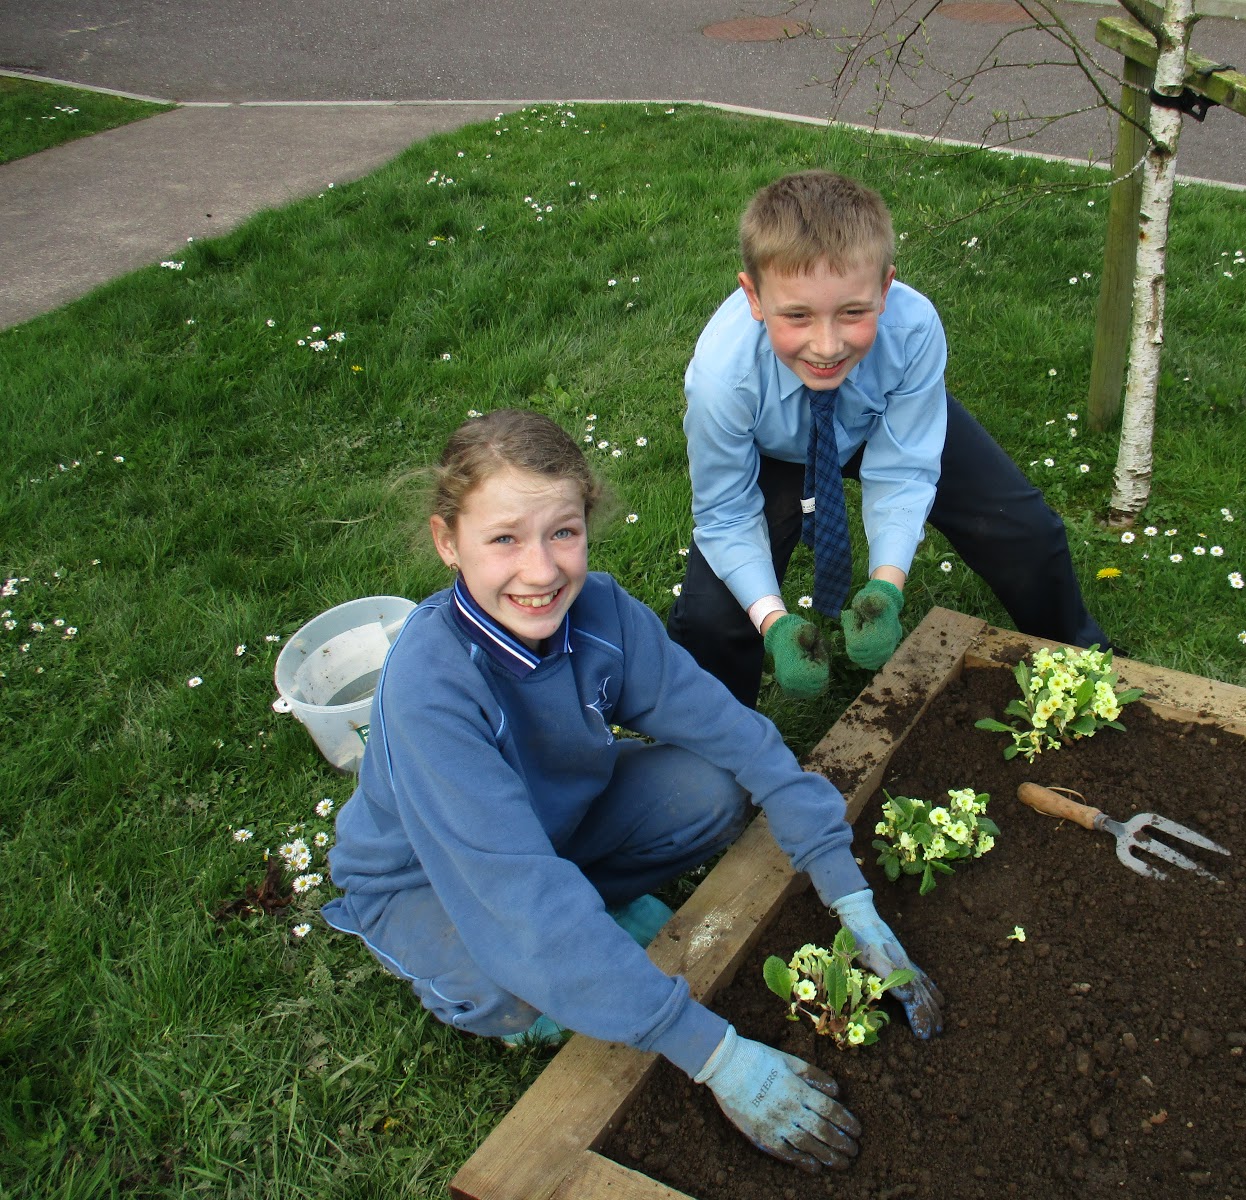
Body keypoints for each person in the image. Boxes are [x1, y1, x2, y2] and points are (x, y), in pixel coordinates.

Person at [321, 408, 942, 1172]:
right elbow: (519, 899)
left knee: (713, 788)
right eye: (504, 539)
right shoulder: (432, 687)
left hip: (551, 828)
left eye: (564, 532)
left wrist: (849, 896)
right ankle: (525, 955)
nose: (542, 571)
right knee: (513, 987)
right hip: (427, 875)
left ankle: (596, 921)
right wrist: (716, 1055)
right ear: (448, 541)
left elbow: (740, 737)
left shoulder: (603, 614)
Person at [667, 170, 1111, 707]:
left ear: (885, 288)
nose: (826, 346)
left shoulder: (914, 328)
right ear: (754, 297)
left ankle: (1083, 666)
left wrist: (885, 589)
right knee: (714, 616)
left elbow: (903, 468)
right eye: (798, 315)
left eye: (853, 312)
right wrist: (774, 620)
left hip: (885, 417)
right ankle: (714, 748)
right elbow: (727, 514)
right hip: (775, 446)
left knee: (1023, 531)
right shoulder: (723, 380)